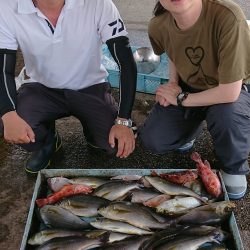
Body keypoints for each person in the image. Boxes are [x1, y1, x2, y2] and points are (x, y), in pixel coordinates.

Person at [0, 0, 137, 174]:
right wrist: (8, 114)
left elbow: (125, 62)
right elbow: (3, 70)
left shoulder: (99, 3)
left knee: (115, 144)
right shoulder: (6, 6)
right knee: (11, 125)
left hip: (90, 86)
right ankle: (48, 140)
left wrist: (123, 119)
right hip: (41, 88)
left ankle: (92, 128)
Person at [140, 0, 250, 199]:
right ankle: (188, 132)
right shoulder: (158, 25)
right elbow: (172, 50)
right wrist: (173, 83)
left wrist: (180, 99)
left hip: (230, 90)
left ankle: (234, 167)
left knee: (227, 117)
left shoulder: (228, 16)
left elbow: (230, 92)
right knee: (153, 139)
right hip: (189, 87)